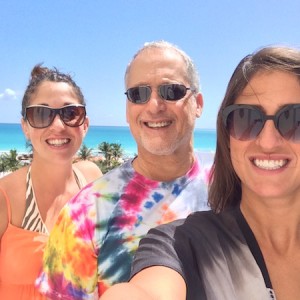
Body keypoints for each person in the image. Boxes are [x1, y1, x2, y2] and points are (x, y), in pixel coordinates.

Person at [101, 45, 300, 300]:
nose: (268, 142)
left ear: (198, 105)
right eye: (247, 118)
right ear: (227, 135)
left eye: (294, 119)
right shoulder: (179, 245)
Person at [36, 40, 212, 299]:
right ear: (128, 108)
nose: (154, 105)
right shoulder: (85, 215)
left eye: (171, 91)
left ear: (197, 103)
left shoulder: (233, 179)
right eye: (138, 94)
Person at [0, 64, 102, 299]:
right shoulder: (6, 198)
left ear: (85, 125)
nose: (58, 126)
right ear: (25, 127)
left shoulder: (91, 179)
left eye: (70, 113)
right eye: (41, 114)